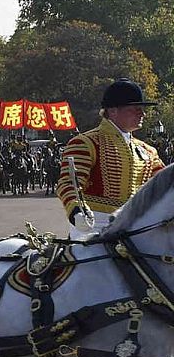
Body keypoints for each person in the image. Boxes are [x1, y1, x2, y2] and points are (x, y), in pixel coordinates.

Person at [56, 77, 164, 237]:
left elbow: (164, 185)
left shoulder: (148, 151)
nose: (143, 114)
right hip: (94, 227)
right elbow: (68, 183)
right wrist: (76, 210)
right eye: (135, 109)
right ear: (113, 110)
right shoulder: (86, 142)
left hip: (135, 229)